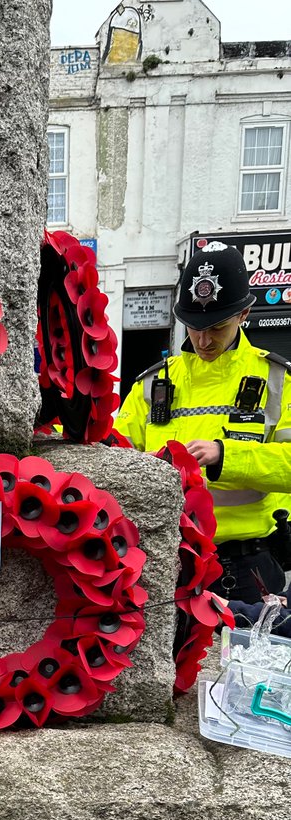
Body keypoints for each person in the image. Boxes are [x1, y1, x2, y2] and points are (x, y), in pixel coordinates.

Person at [116, 242, 291, 604]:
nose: (203, 340)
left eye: (217, 326)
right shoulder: (152, 383)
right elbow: (116, 454)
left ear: (244, 314)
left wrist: (225, 455)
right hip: (166, 561)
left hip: (244, 567)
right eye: (193, 327)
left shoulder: (278, 380)